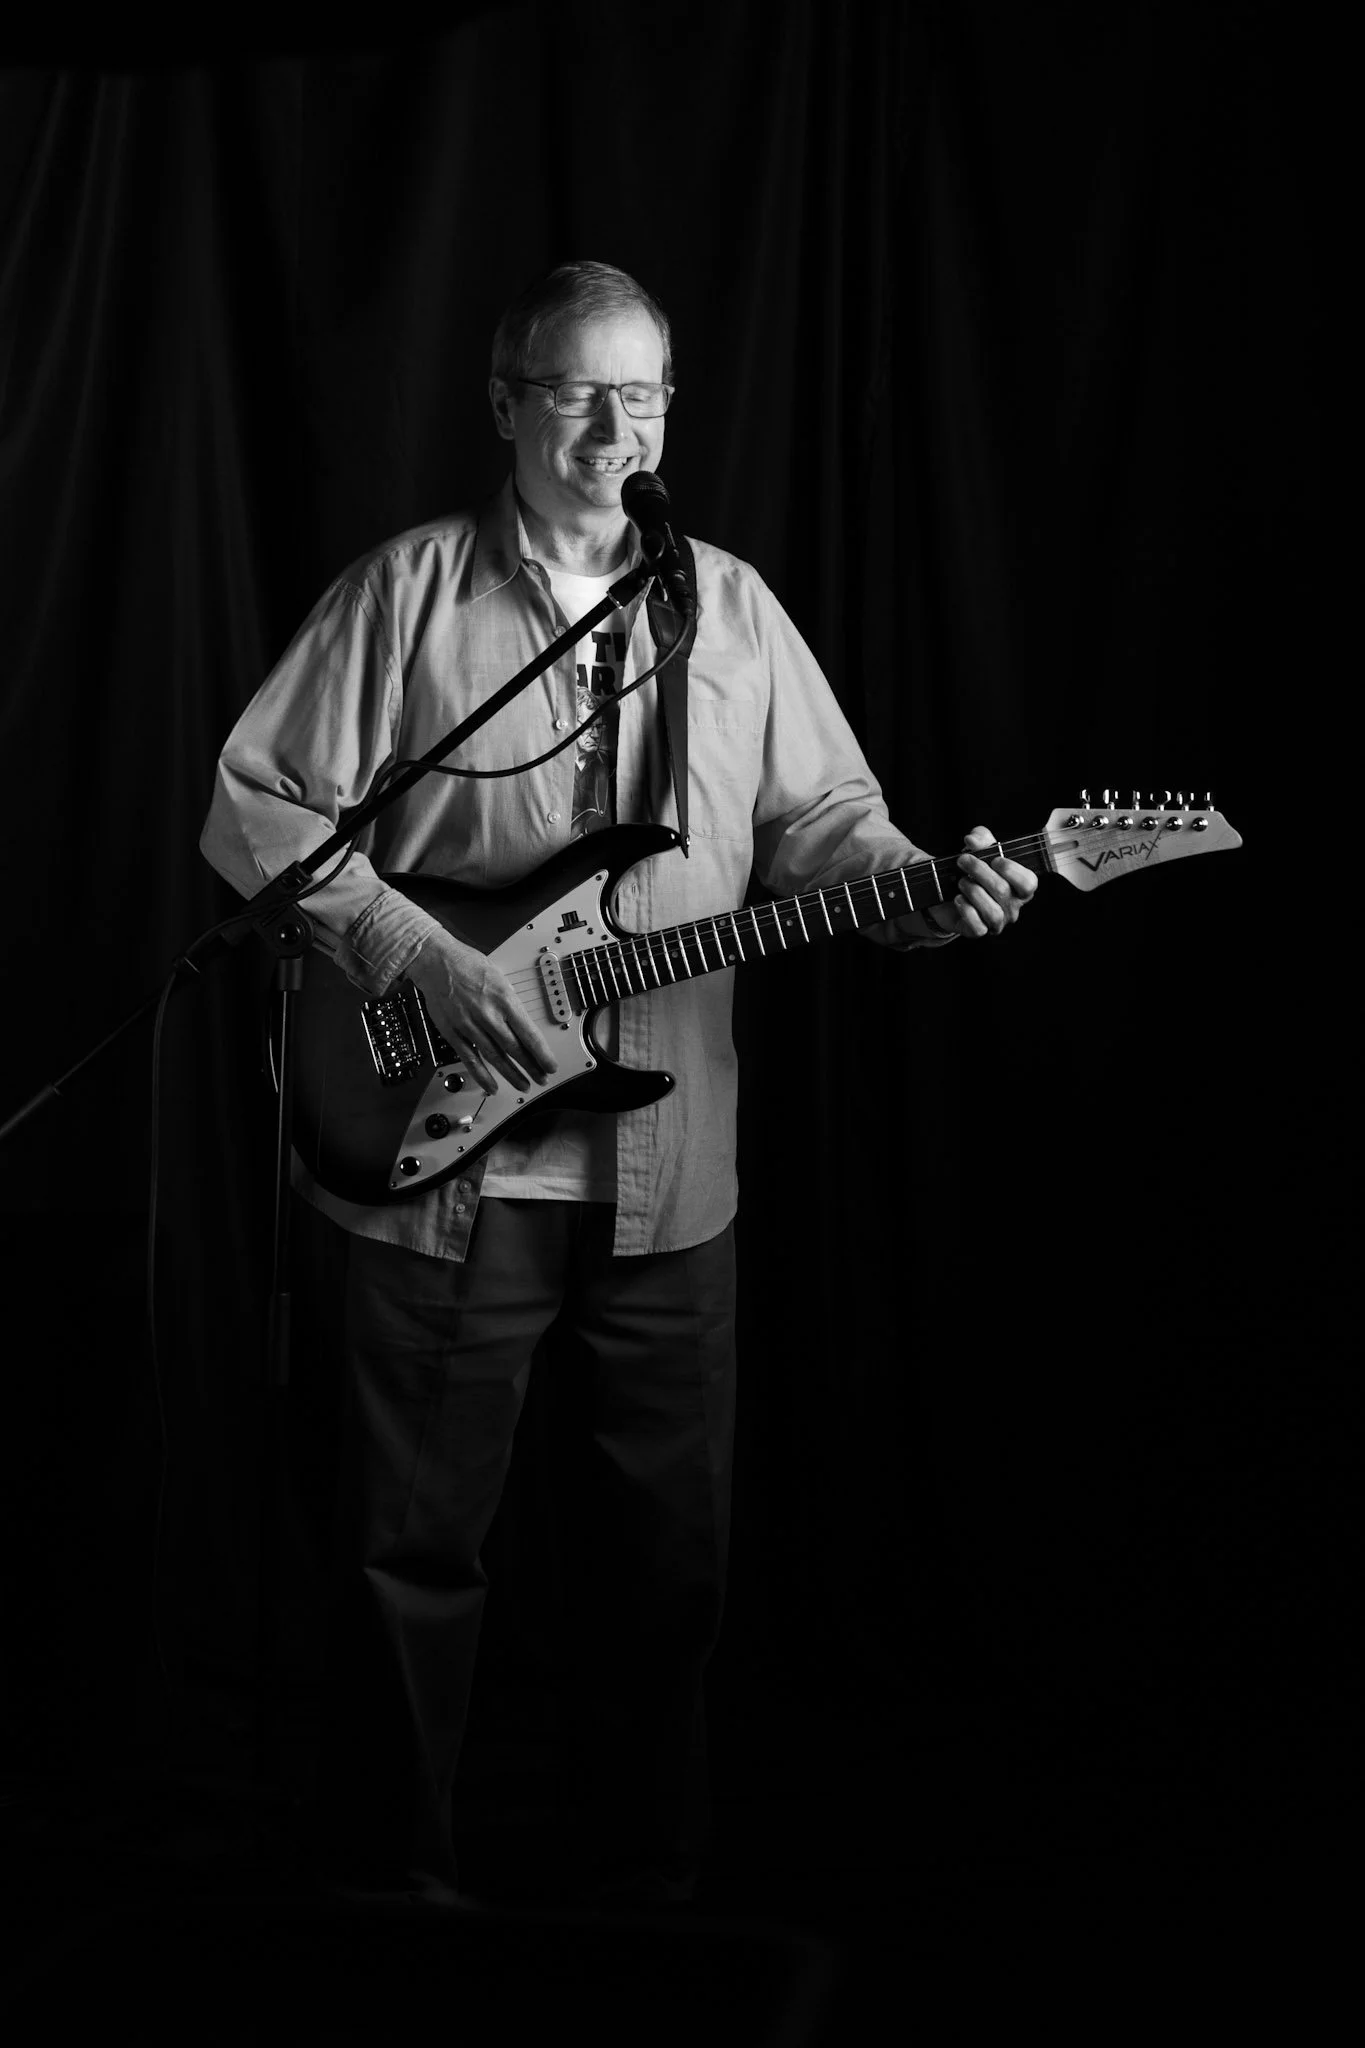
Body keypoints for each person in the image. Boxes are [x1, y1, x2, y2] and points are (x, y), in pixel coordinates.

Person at [200, 259, 1036, 1912]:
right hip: (443, 1170)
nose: (612, 424)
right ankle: (396, 1889)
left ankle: (644, 1885)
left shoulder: (724, 604)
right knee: (407, 1558)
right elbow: (256, 807)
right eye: (578, 391)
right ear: (507, 404)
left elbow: (825, 825)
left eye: (641, 393)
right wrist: (418, 960)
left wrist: (920, 886)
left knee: (671, 1571)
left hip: (672, 1180)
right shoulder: (413, 597)